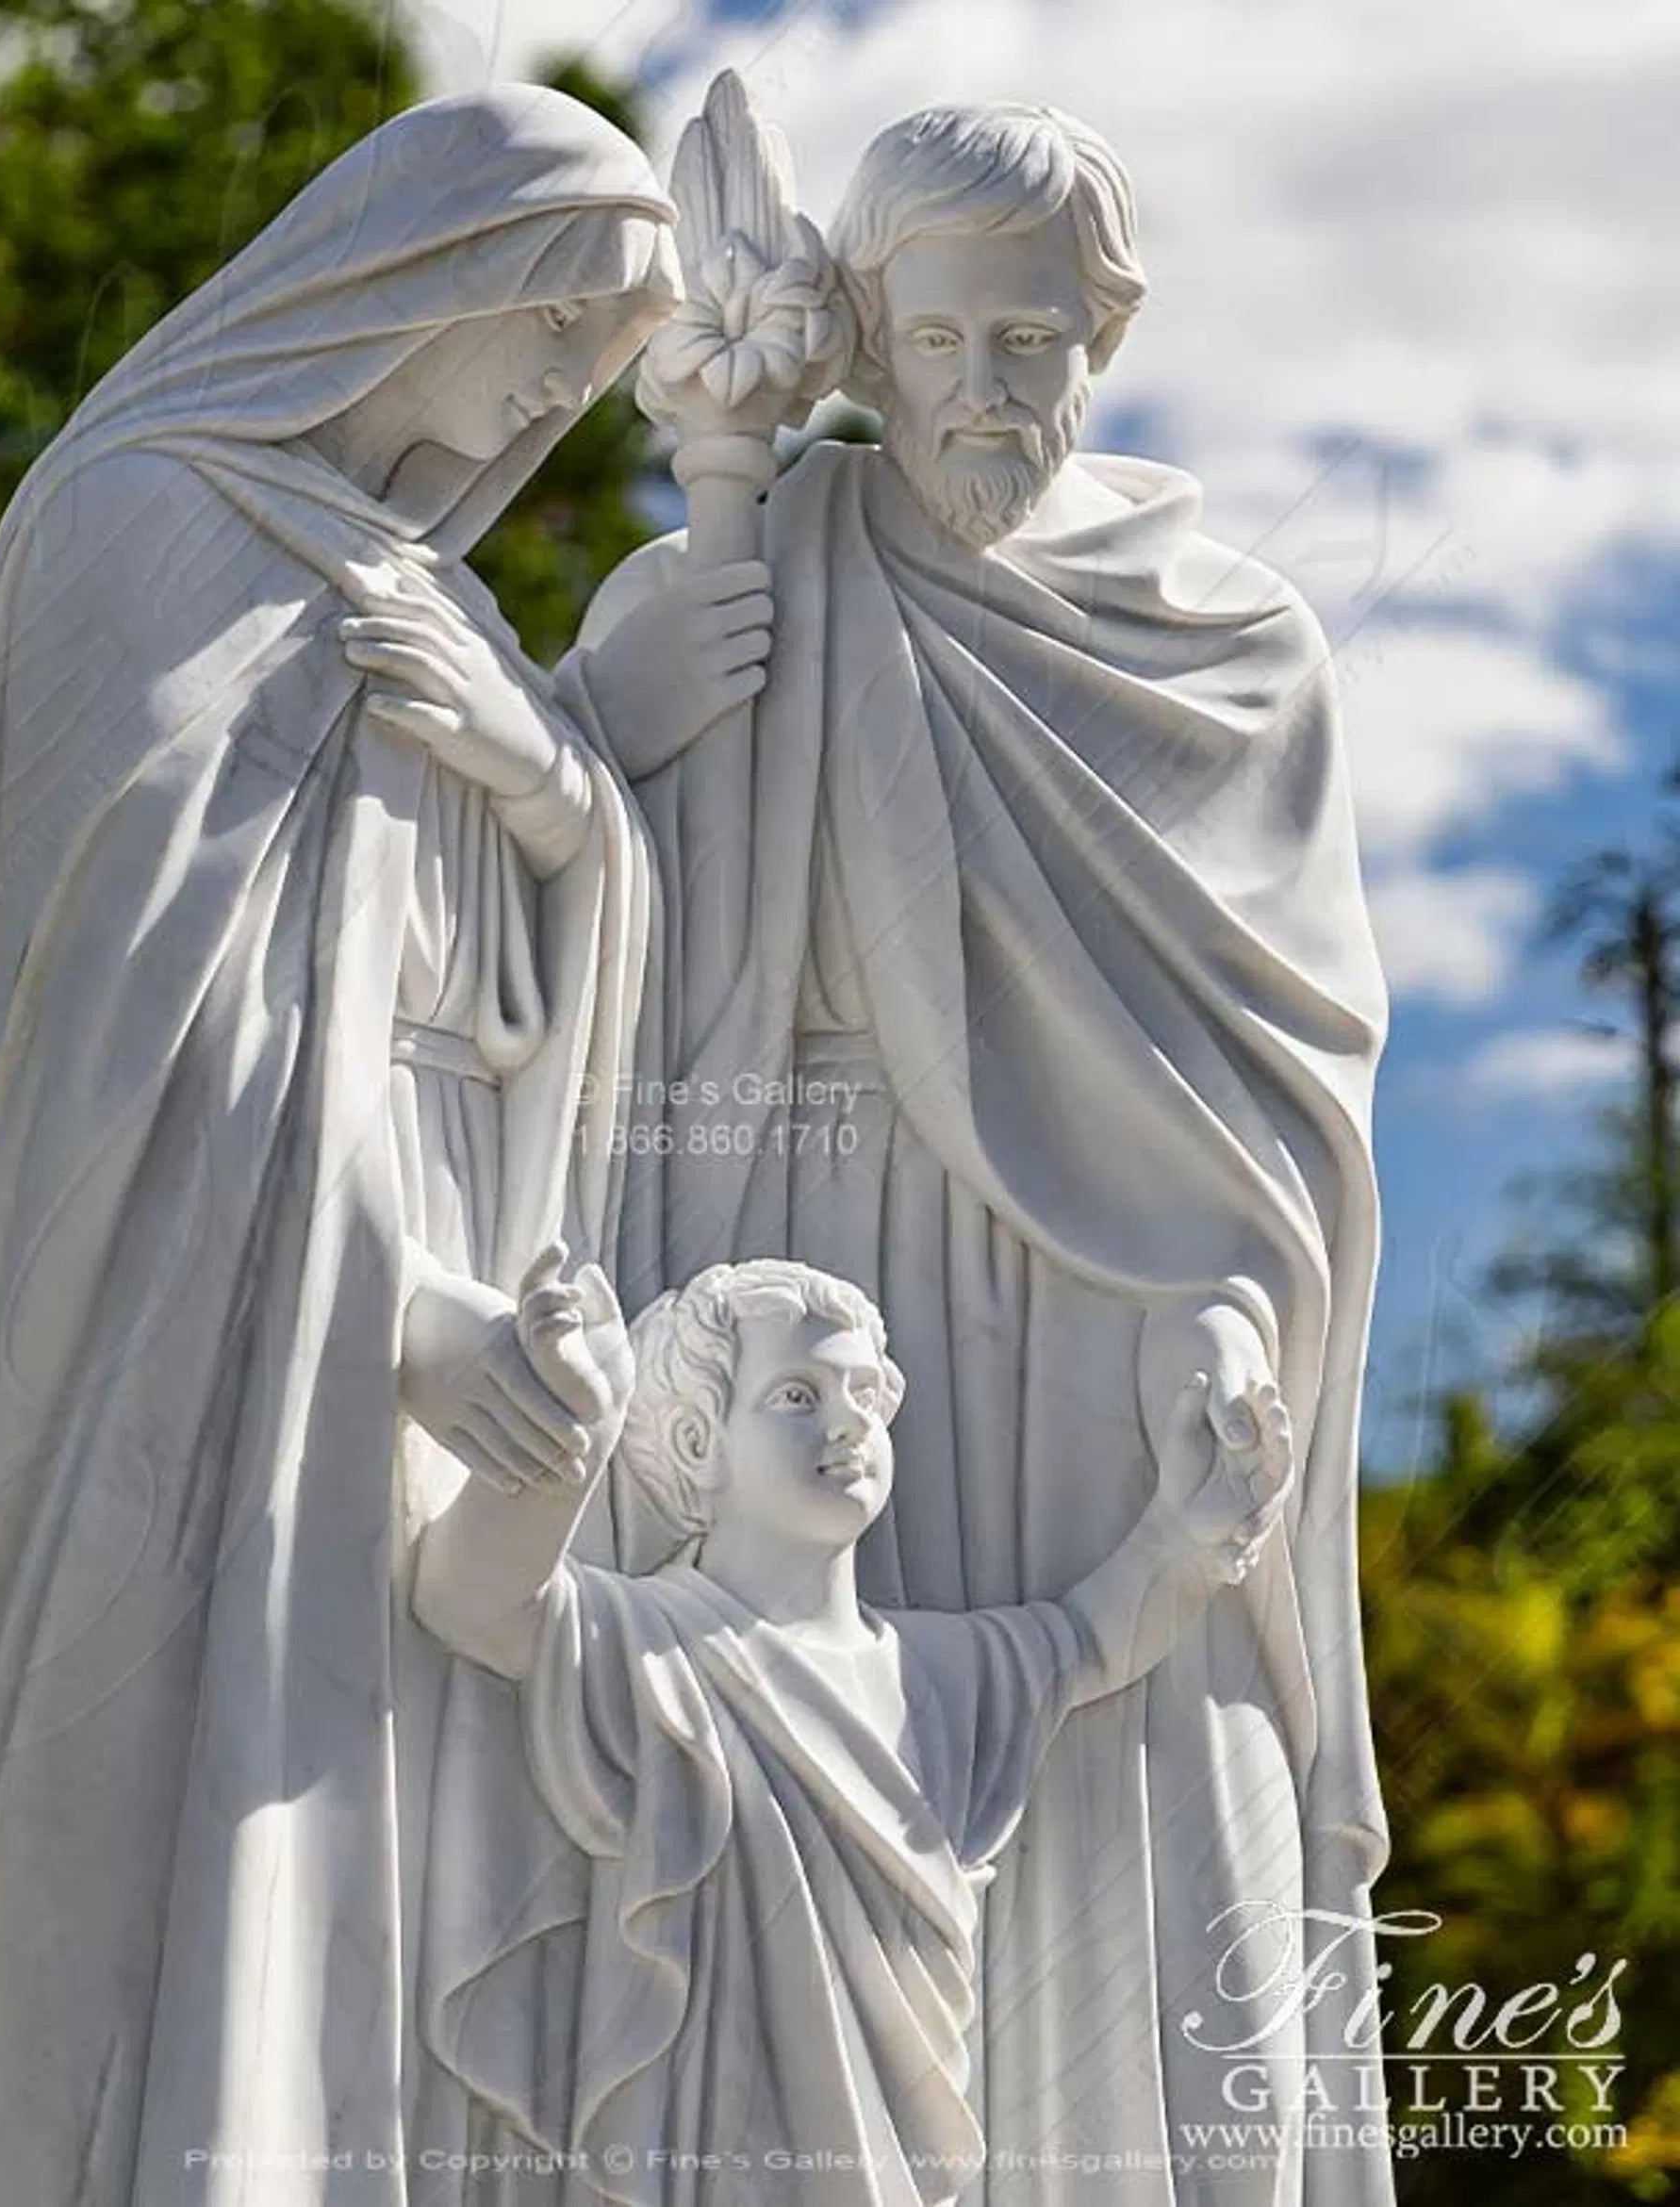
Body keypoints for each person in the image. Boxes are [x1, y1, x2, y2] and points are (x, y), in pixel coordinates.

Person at [0, 86, 677, 2207]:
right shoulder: (141, 520)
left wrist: (550, 792)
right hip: (181, 1326)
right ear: (411, 265)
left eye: (593, 367)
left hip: (405, 1321)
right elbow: (138, 1032)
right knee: (151, 1861)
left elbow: (516, 1000)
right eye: (546, 321)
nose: (551, 386)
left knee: (356, 1895)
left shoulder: (426, 601)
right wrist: (407, 1315)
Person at [571, 102, 1392, 2206]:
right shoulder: (773, 557)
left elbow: (1277, 1088)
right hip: (805, 1283)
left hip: (1115, 1339)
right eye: (939, 345)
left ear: (1099, 342)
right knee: (812, 1870)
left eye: (1030, 344)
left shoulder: (1231, 650)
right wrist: (656, 624)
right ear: (863, 338)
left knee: (1121, 1823)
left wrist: (1230, 1307)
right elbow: (614, 940)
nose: (986, 394)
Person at [414, 1260, 1292, 2207]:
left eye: (864, 1391)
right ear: (696, 1439)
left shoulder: (941, 1673)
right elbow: (468, 1600)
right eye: (797, 1395)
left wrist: (1189, 1535)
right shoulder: (651, 1642)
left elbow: (1089, 1640)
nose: (847, 1422)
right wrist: (561, 1451)